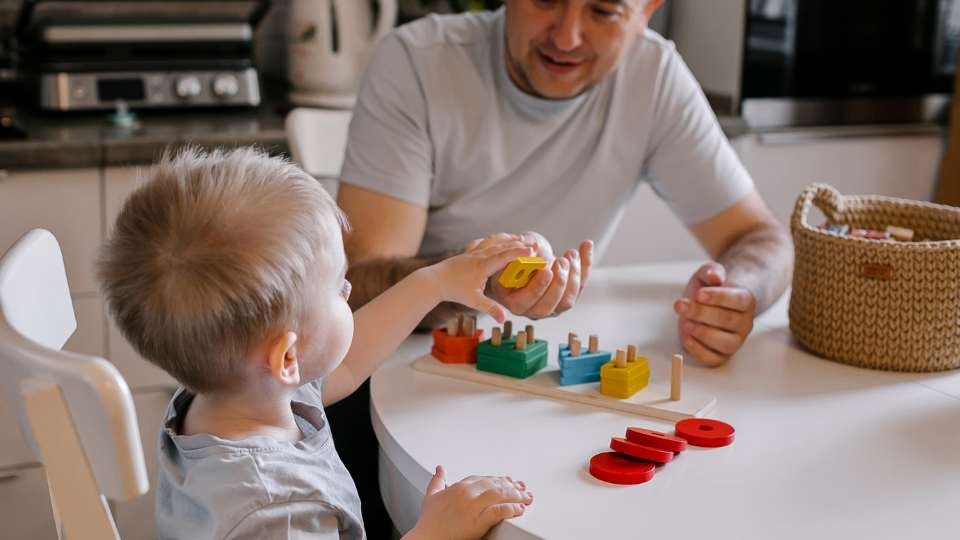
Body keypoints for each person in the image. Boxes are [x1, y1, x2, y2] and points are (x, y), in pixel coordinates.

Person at [331, 1, 793, 529]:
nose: (567, 37)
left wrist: (738, 294)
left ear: (646, 11)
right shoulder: (418, 60)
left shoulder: (654, 74)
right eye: (546, 0)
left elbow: (761, 238)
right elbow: (355, 288)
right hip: (393, 395)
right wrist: (469, 277)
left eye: (603, 11)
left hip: (537, 409)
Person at [97, 147, 535, 539]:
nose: (349, 289)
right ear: (287, 357)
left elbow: (344, 365)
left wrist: (435, 283)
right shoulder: (279, 510)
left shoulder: (225, 397)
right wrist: (437, 532)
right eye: (337, 287)